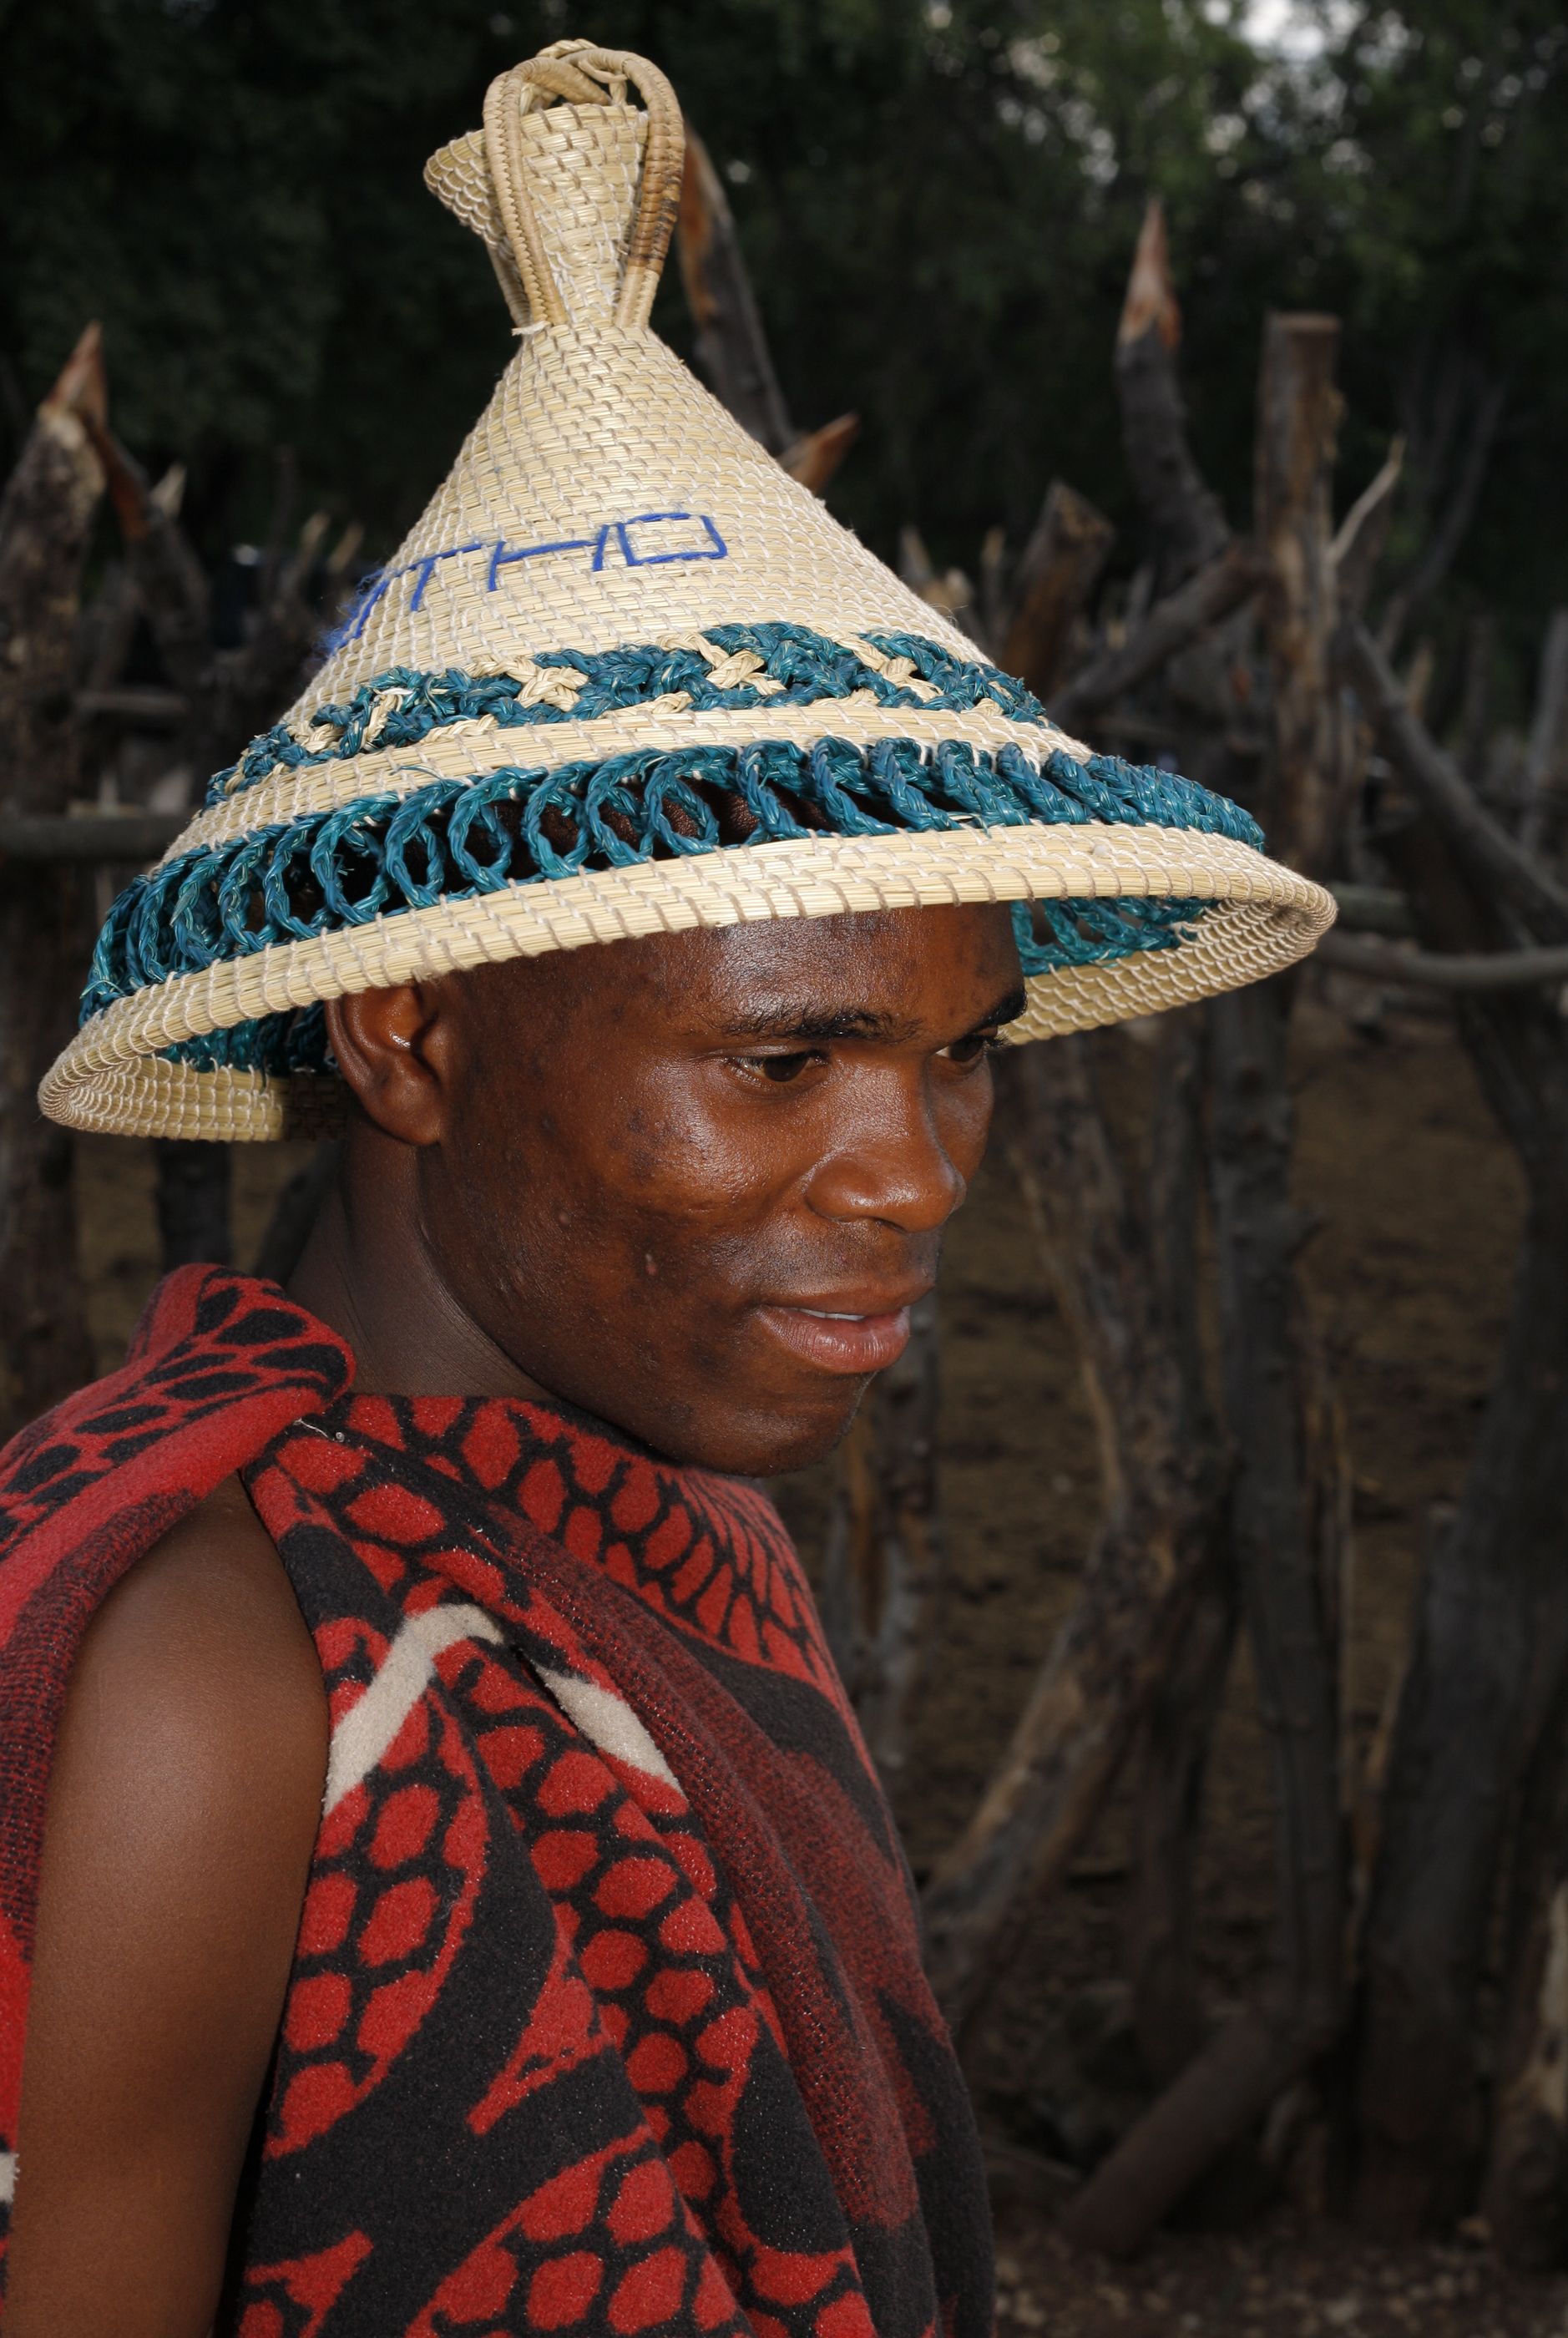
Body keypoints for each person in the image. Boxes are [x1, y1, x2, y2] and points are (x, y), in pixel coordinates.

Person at [0, 39, 1332, 2338]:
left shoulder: (653, 1517)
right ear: (408, 1037)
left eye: (961, 1060)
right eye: (786, 1056)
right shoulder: (210, 1682)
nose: (914, 1178)